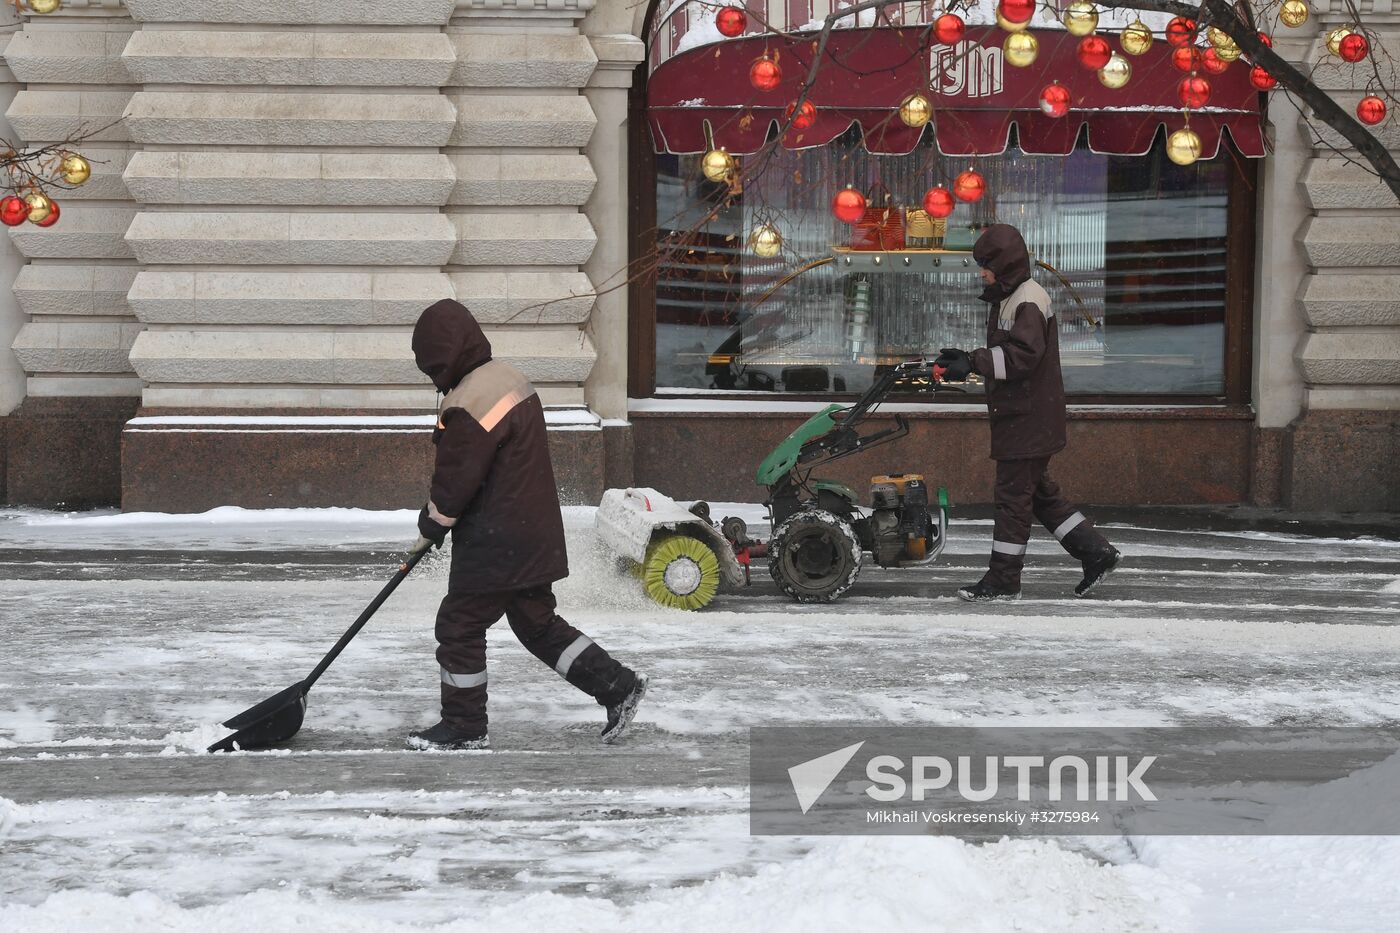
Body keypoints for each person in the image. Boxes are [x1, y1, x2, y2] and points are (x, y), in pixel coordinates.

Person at [408, 298, 648, 749]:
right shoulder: (508, 378)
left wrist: (433, 523)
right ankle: (617, 685)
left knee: (459, 625)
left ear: (440, 356)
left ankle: (463, 726)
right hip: (531, 532)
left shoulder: (468, 403)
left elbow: (455, 481)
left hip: (496, 541)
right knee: (536, 623)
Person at [935, 224, 1121, 601]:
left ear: (1004, 265)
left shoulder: (1028, 299)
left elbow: (1022, 357)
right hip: (1025, 416)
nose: (982, 273)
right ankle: (1095, 552)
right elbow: (1012, 354)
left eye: (986, 265)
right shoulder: (1012, 296)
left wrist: (972, 362)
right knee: (1036, 495)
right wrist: (969, 360)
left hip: (1027, 418)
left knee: (1012, 500)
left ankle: (1003, 580)